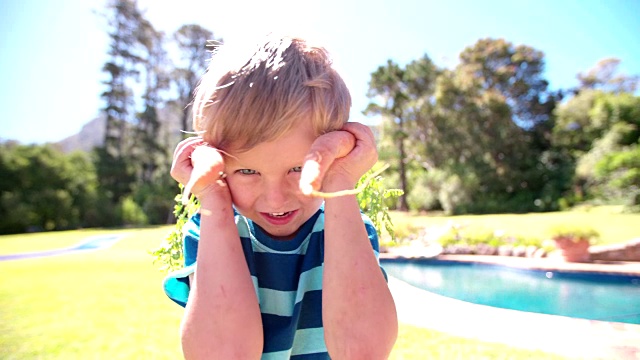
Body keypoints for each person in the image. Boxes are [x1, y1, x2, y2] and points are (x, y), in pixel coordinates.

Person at [164, 34, 398, 359]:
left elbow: (362, 351)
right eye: (247, 172)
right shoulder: (208, 232)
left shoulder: (346, 229)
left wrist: (341, 179)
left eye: (299, 168)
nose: (275, 200)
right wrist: (213, 198)